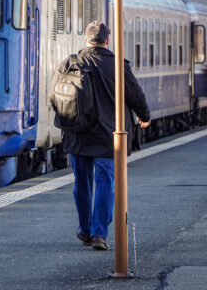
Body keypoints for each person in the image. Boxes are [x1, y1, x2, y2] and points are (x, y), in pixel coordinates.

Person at [57, 21, 151, 251]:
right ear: (107, 41)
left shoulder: (71, 63)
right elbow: (136, 95)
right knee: (105, 183)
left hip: (78, 134)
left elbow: (57, 95)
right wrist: (144, 116)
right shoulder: (118, 65)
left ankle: (85, 229)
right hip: (108, 136)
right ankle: (99, 234)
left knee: (82, 184)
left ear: (86, 40)